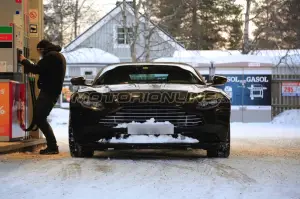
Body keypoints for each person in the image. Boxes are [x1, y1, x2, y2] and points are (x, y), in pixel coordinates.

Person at [20, 40, 66, 155]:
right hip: (51, 91)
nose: (39, 54)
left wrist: (23, 60)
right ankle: (52, 146)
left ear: (42, 49)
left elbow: (37, 69)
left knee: (40, 118)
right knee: (40, 117)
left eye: (39, 51)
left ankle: (53, 147)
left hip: (49, 92)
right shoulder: (57, 56)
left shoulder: (51, 56)